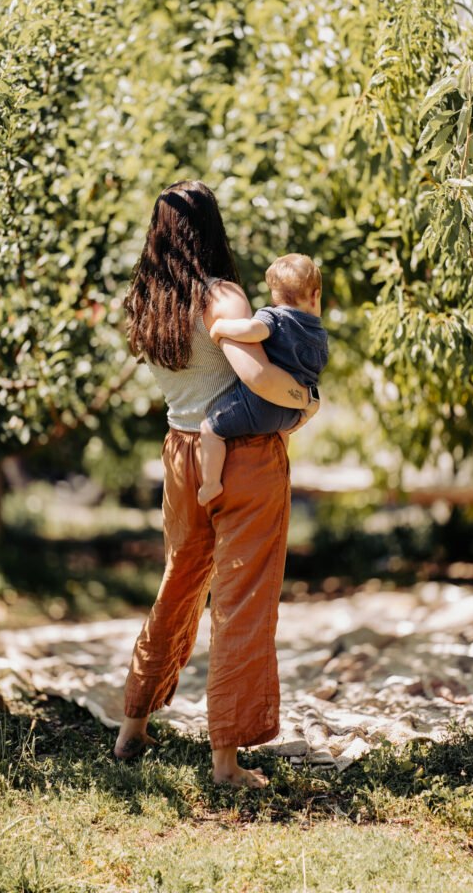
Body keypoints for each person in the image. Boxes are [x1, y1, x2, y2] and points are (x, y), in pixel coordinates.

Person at [114, 180, 319, 788]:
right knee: (243, 602)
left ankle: (132, 724)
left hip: (182, 453)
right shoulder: (220, 294)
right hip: (243, 455)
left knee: (178, 585)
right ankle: (226, 761)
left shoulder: (148, 300)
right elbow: (255, 376)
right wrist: (304, 402)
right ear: (211, 228)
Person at [197, 253, 328, 506]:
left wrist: (222, 327)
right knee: (280, 435)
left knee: (210, 430)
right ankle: (281, 470)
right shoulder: (319, 334)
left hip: (257, 406)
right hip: (291, 414)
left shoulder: (275, 317)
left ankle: (210, 484)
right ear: (315, 296)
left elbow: (250, 330)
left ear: (274, 297)